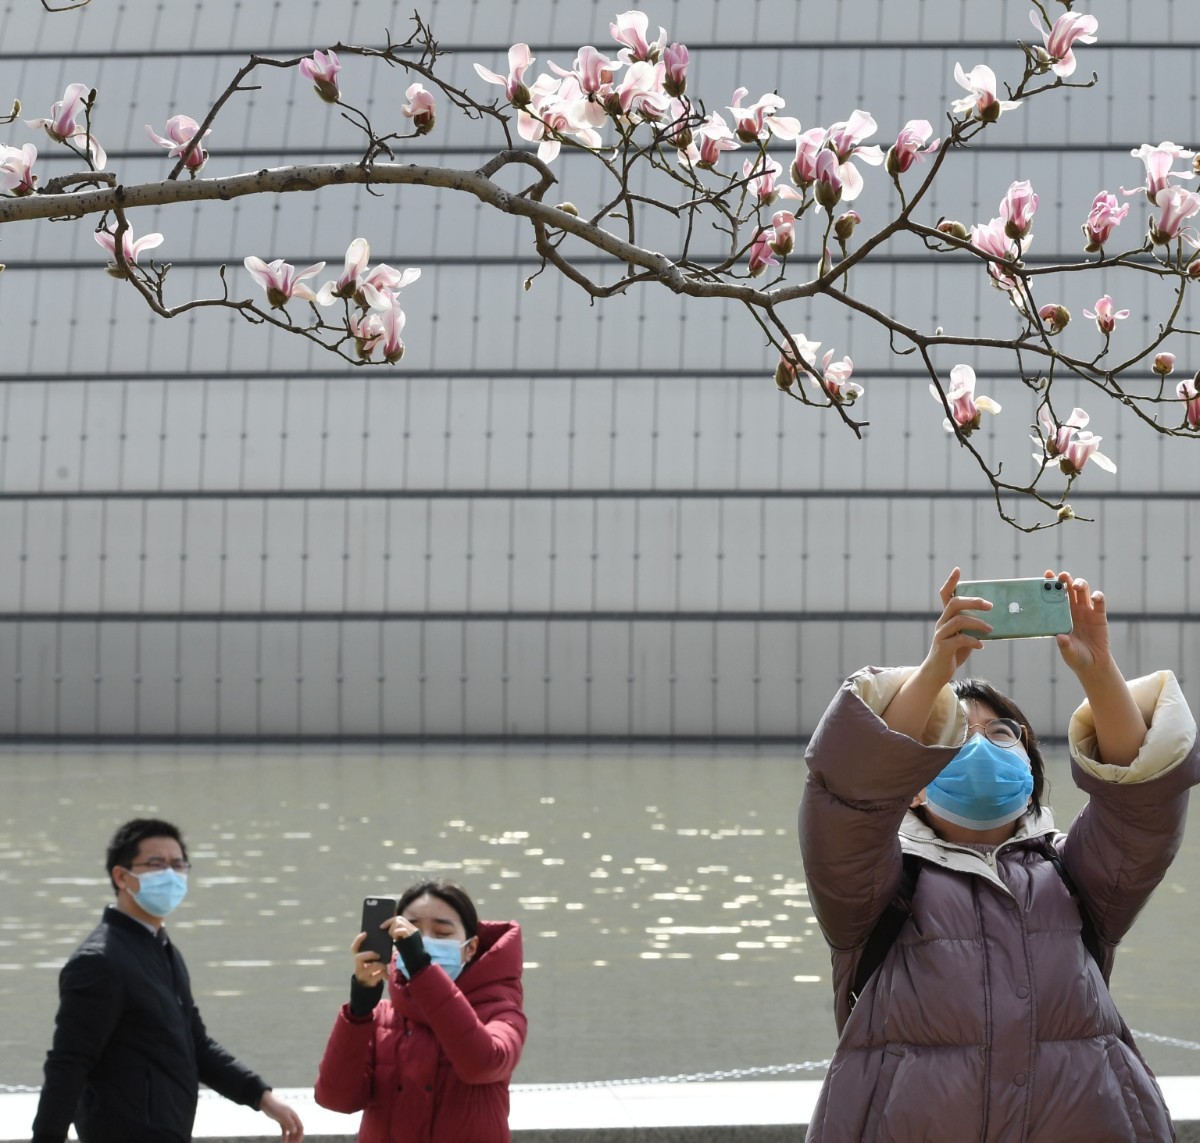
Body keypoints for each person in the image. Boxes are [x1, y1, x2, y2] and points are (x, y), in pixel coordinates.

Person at [798, 568, 1199, 1142]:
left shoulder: (1075, 874)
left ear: (1031, 776)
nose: (982, 746)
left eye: (1002, 733)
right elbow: (849, 797)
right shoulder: (874, 888)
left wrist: (1099, 668)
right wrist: (937, 667)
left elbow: (1144, 802)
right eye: (959, 735)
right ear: (913, 780)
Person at [32, 818, 304, 1143]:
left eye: (178, 864)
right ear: (122, 876)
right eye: (156, 864)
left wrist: (260, 1096)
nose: (170, 875)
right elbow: (69, 1063)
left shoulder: (161, 949)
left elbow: (195, 1043)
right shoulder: (100, 961)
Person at [315, 878, 526, 1142]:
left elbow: (482, 1064)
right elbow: (336, 1098)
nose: (424, 943)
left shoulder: (501, 1012)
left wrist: (422, 970)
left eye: (442, 933)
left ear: (470, 947)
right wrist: (359, 1010)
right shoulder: (379, 1017)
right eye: (411, 935)